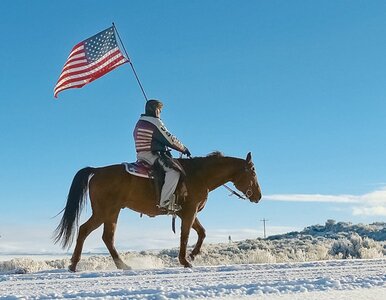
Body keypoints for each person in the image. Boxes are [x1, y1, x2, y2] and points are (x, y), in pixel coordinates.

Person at [133, 99, 191, 210]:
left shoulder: (140, 122)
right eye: (160, 110)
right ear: (155, 110)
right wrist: (184, 149)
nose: (160, 112)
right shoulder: (154, 122)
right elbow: (170, 139)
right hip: (152, 154)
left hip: (141, 154)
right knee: (174, 171)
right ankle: (165, 202)